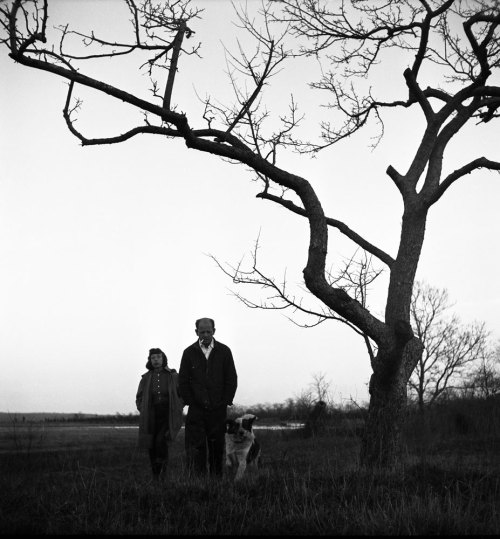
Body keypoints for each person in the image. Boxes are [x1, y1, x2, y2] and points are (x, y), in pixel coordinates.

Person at [178, 317, 237, 477]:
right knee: (196, 449)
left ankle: (216, 483)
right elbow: (182, 381)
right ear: (196, 332)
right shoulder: (189, 353)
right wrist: (191, 401)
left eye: (208, 331)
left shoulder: (224, 351)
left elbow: (231, 379)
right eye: (202, 331)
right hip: (196, 410)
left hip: (217, 410)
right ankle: (199, 484)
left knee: (217, 448)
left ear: (214, 331)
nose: (205, 334)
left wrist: (225, 401)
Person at [136, 348, 184, 481]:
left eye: (158, 357)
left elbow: (182, 395)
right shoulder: (145, 378)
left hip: (168, 413)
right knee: (151, 443)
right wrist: (143, 409)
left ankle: (163, 473)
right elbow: (139, 397)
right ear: (150, 360)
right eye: (153, 358)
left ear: (163, 359)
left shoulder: (173, 376)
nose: (156, 360)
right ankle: (156, 475)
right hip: (151, 414)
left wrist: (178, 406)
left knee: (160, 441)